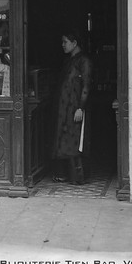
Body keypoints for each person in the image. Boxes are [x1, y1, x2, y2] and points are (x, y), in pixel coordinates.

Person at [52, 28, 93, 185]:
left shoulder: (84, 61)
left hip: (75, 109)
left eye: (65, 42)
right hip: (65, 109)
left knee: (75, 142)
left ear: (74, 43)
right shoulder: (69, 60)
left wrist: (80, 108)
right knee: (64, 140)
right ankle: (65, 175)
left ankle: (78, 177)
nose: (62, 45)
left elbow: (86, 86)